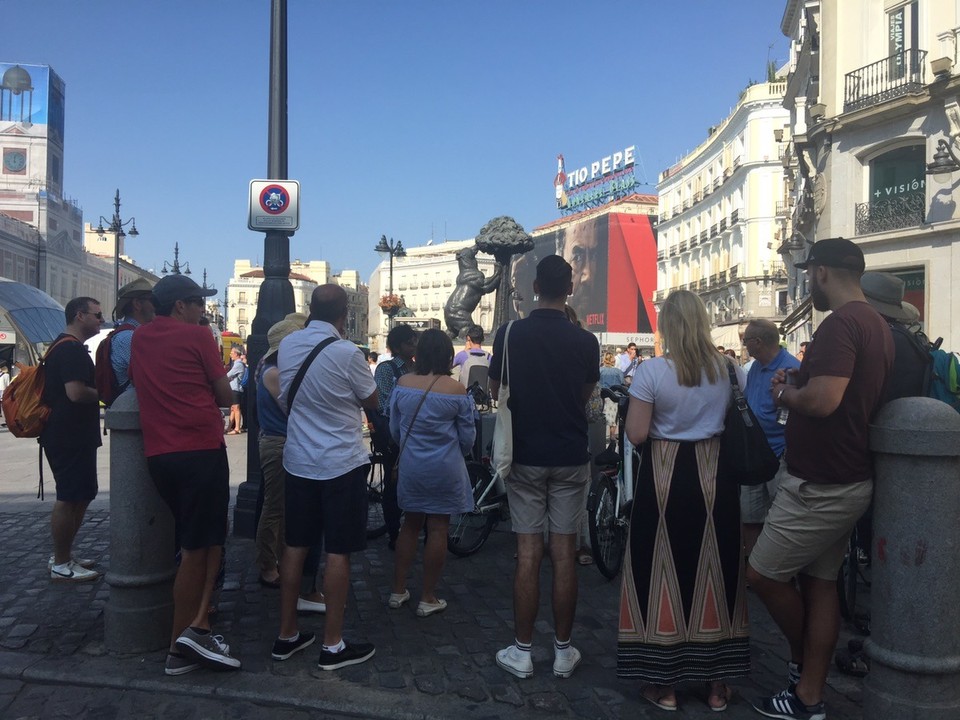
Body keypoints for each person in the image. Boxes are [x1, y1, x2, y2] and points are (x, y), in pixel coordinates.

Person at [748, 238, 893, 719]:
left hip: (819, 484)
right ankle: (808, 693)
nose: (809, 282)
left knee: (762, 573)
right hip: (844, 475)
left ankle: (802, 663)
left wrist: (787, 395)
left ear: (823, 272)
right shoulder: (876, 323)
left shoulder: (841, 325)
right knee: (820, 583)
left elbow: (825, 400)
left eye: (810, 274)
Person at [618, 290, 749, 712]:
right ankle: (715, 687)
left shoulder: (652, 371)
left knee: (660, 569)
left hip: (665, 475)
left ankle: (666, 686)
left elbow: (637, 434)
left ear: (667, 326)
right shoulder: (729, 369)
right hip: (716, 478)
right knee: (719, 568)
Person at [489, 255, 599, 680]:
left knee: (529, 552)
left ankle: (521, 651)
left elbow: (497, 387)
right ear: (569, 288)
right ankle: (563, 651)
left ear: (535, 286)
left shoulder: (511, 333)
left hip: (525, 455)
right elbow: (584, 393)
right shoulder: (585, 342)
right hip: (570, 454)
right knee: (565, 553)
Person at [130, 274, 240, 675]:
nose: (202, 310)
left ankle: (201, 623)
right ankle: (179, 647)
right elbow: (225, 396)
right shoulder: (197, 338)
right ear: (180, 306)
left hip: (161, 454)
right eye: (198, 303)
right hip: (200, 450)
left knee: (209, 539)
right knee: (196, 548)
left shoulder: (141, 337)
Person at [272, 284, 378, 671]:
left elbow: (286, 395)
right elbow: (372, 399)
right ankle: (332, 644)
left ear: (309, 309)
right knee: (338, 551)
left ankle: (286, 635)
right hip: (340, 464)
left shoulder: (289, 346)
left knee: (295, 546)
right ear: (343, 315)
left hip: (299, 460)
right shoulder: (348, 353)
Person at [388, 329, 477, 616]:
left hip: (412, 466)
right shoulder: (456, 390)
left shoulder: (403, 383)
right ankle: (428, 596)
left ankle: (398, 589)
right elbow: (468, 438)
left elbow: (394, 428)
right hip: (445, 467)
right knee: (438, 527)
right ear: (447, 356)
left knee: (410, 525)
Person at [44, 297, 104, 583]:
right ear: (80, 316)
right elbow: (76, 393)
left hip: (72, 435)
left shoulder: (67, 346)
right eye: (97, 314)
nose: (101, 319)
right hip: (68, 436)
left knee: (81, 495)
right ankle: (61, 562)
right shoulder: (70, 349)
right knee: (69, 498)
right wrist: (105, 394)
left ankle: (64, 554)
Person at [255, 313, 307, 589]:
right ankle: (266, 564)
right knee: (274, 506)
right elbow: (292, 408)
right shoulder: (273, 372)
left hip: (282, 441)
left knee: (283, 506)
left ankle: (278, 558)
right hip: (278, 442)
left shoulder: (271, 368)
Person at [741, 319, 800, 556]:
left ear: (757, 342)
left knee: (780, 519)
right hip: (754, 454)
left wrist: (776, 426)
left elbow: (789, 412)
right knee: (750, 515)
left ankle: (777, 571)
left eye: (746, 341)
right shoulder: (755, 367)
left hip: (778, 453)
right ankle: (754, 569)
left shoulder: (790, 369)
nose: (744, 346)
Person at [373, 323, 418, 548]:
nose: (414, 345)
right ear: (398, 346)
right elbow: (382, 404)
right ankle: (394, 533)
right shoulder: (387, 369)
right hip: (394, 436)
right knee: (393, 486)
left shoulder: (416, 368)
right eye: (409, 342)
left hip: (414, 435)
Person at [108, 278, 156, 393]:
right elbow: (151, 376)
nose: (156, 306)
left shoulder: (131, 335)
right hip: (132, 407)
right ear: (137, 304)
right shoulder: (129, 338)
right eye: (153, 301)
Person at [453, 324, 491, 389]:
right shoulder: (489, 357)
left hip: (466, 396)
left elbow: (447, 367)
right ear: (482, 339)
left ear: (468, 338)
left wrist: (465, 350)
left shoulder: (462, 355)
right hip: (483, 397)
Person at [598, 352, 624, 443]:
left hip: (602, 395)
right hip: (614, 396)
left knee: (601, 416)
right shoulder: (618, 372)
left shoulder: (600, 370)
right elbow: (622, 383)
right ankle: (612, 436)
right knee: (613, 417)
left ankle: (600, 436)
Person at [225, 347, 244, 434]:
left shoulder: (238, 364)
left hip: (236, 388)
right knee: (233, 408)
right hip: (233, 388)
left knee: (236, 408)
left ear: (236, 354)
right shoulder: (237, 364)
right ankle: (229, 427)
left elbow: (228, 375)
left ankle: (237, 428)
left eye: (232, 352)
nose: (230, 354)